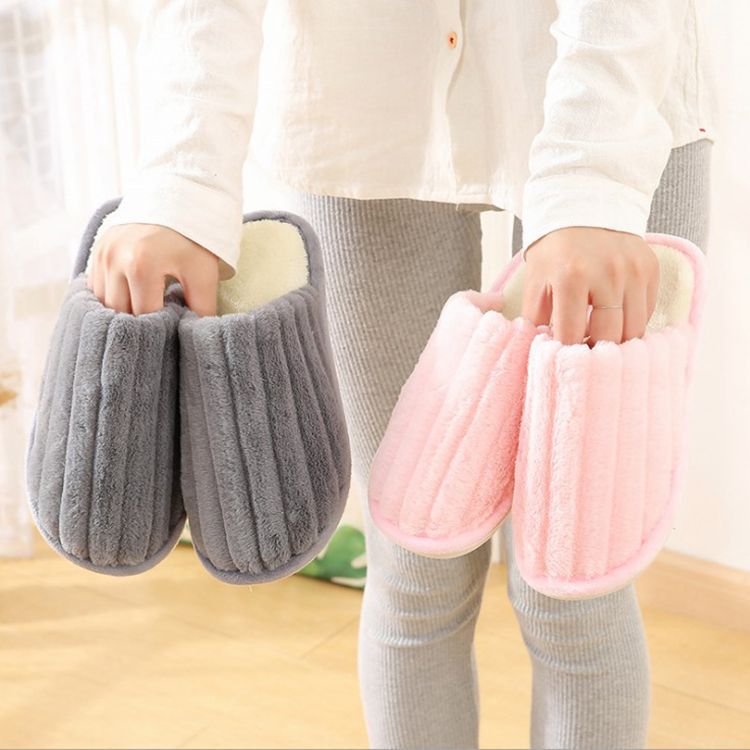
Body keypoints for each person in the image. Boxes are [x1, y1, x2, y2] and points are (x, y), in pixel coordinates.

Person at [87, 2, 715, 747]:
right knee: (418, 556)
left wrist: (595, 179)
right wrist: (179, 179)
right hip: (360, 95)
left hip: (619, 82)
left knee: (579, 577)